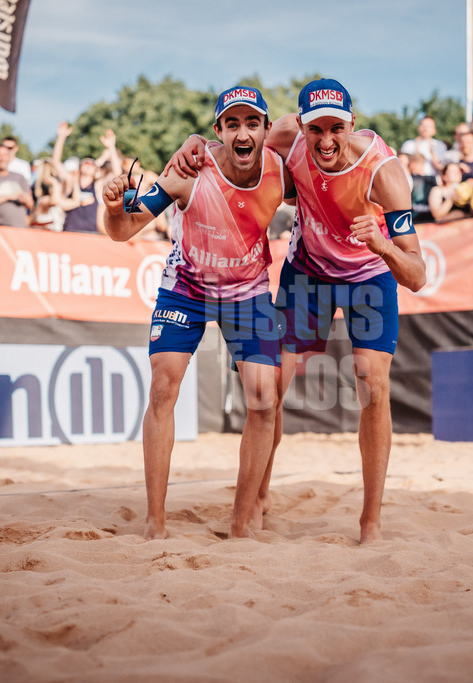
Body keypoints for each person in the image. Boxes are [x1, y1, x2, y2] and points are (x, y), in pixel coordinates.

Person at [168, 78, 427, 543]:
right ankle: (261, 495)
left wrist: (382, 244)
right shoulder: (284, 135)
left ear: (352, 124)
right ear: (300, 125)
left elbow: (417, 274)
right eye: (316, 130)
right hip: (307, 271)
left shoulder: (385, 173)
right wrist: (194, 141)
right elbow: (233, 141)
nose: (326, 140)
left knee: (373, 383)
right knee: (273, 385)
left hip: (368, 273)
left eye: (336, 129)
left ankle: (370, 522)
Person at [102, 86, 292, 540]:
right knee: (164, 387)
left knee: (265, 398)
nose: (242, 132)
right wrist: (112, 207)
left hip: (247, 290)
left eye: (252, 123)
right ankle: (155, 523)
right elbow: (123, 230)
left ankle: (242, 523)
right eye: (232, 124)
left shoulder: (282, 172)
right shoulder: (189, 169)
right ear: (218, 131)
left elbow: (315, 141)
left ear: (266, 129)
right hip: (186, 289)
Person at [0, 142, 32, 227]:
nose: (2, 159)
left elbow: (30, 203)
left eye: (4, 155)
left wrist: (23, 198)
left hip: (19, 227)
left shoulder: (19, 177)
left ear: (9, 158)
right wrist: (11, 196)